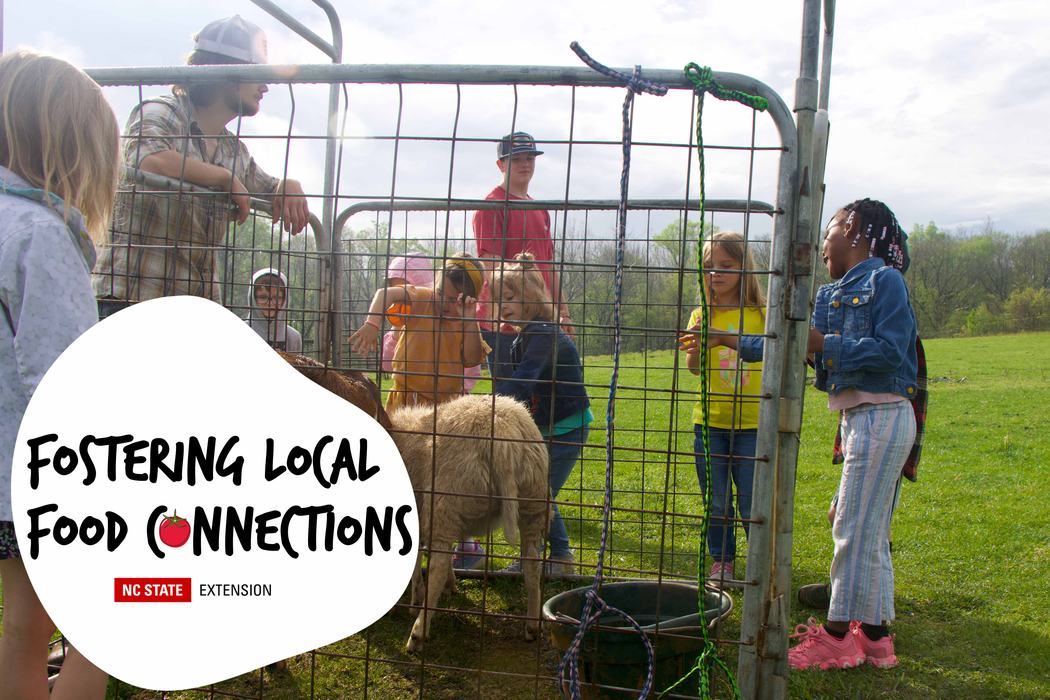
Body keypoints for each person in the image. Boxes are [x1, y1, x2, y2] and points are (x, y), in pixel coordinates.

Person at [698, 199, 918, 671]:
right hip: (859, 420)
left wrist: (823, 345)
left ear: (853, 229)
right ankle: (877, 639)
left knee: (853, 528)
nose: (821, 244)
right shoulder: (834, 294)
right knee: (866, 528)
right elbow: (785, 345)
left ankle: (838, 635)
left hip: (883, 416)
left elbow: (891, 353)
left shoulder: (885, 282)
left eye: (829, 229)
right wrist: (727, 338)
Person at [0, 50, 121, 700]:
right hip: (45, 478)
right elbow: (65, 377)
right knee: (99, 627)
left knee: (22, 630)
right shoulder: (42, 238)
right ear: (76, 152)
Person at [93, 15, 309, 312]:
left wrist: (287, 185)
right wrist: (223, 179)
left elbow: (267, 187)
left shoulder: (233, 150)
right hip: (131, 301)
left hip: (189, 309)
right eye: (257, 72)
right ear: (228, 72)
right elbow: (148, 162)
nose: (266, 86)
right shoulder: (161, 111)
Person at [491, 253, 592, 576]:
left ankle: (558, 556)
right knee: (532, 491)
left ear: (532, 297)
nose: (502, 306)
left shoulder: (545, 334)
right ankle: (540, 555)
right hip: (544, 427)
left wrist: (490, 405)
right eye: (498, 301)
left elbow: (526, 378)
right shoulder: (525, 335)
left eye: (509, 298)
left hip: (566, 427)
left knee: (539, 492)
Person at [681, 232, 765, 583]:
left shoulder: (761, 313)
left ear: (744, 267)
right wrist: (699, 344)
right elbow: (693, 367)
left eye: (726, 266)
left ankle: (761, 562)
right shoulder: (701, 313)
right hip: (710, 422)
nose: (715, 273)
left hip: (753, 426)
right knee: (716, 500)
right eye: (709, 267)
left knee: (750, 502)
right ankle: (723, 561)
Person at [472, 131, 574, 379]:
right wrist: (520, 312)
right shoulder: (491, 206)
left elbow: (548, 265)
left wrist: (563, 312)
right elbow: (493, 269)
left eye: (530, 158)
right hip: (505, 324)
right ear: (501, 164)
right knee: (511, 402)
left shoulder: (539, 208)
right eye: (516, 158)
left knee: (547, 401)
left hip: (542, 321)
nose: (525, 164)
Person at [349, 254, 488, 412]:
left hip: (447, 405)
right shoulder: (423, 297)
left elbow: (472, 360)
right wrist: (372, 325)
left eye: (452, 300)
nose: (443, 303)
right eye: (440, 292)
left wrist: (470, 321)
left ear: (470, 300)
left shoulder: (467, 322)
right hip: (406, 398)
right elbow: (384, 294)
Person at [245, 267, 302, 352]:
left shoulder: (293, 337)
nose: (270, 303)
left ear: (285, 299)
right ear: (253, 299)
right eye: (263, 297)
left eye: (277, 297)